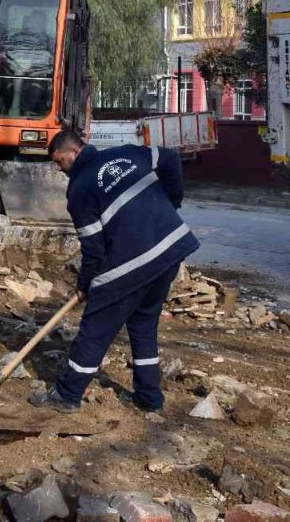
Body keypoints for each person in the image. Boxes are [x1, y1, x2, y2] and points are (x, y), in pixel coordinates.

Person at [31, 129, 198, 413]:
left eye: (60, 162)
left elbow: (93, 250)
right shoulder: (126, 152)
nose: (60, 170)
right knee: (143, 326)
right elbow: (170, 159)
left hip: (132, 264)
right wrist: (173, 201)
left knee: (95, 328)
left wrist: (85, 285)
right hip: (171, 250)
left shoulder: (80, 190)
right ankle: (149, 398)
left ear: (73, 152)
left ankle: (67, 395)